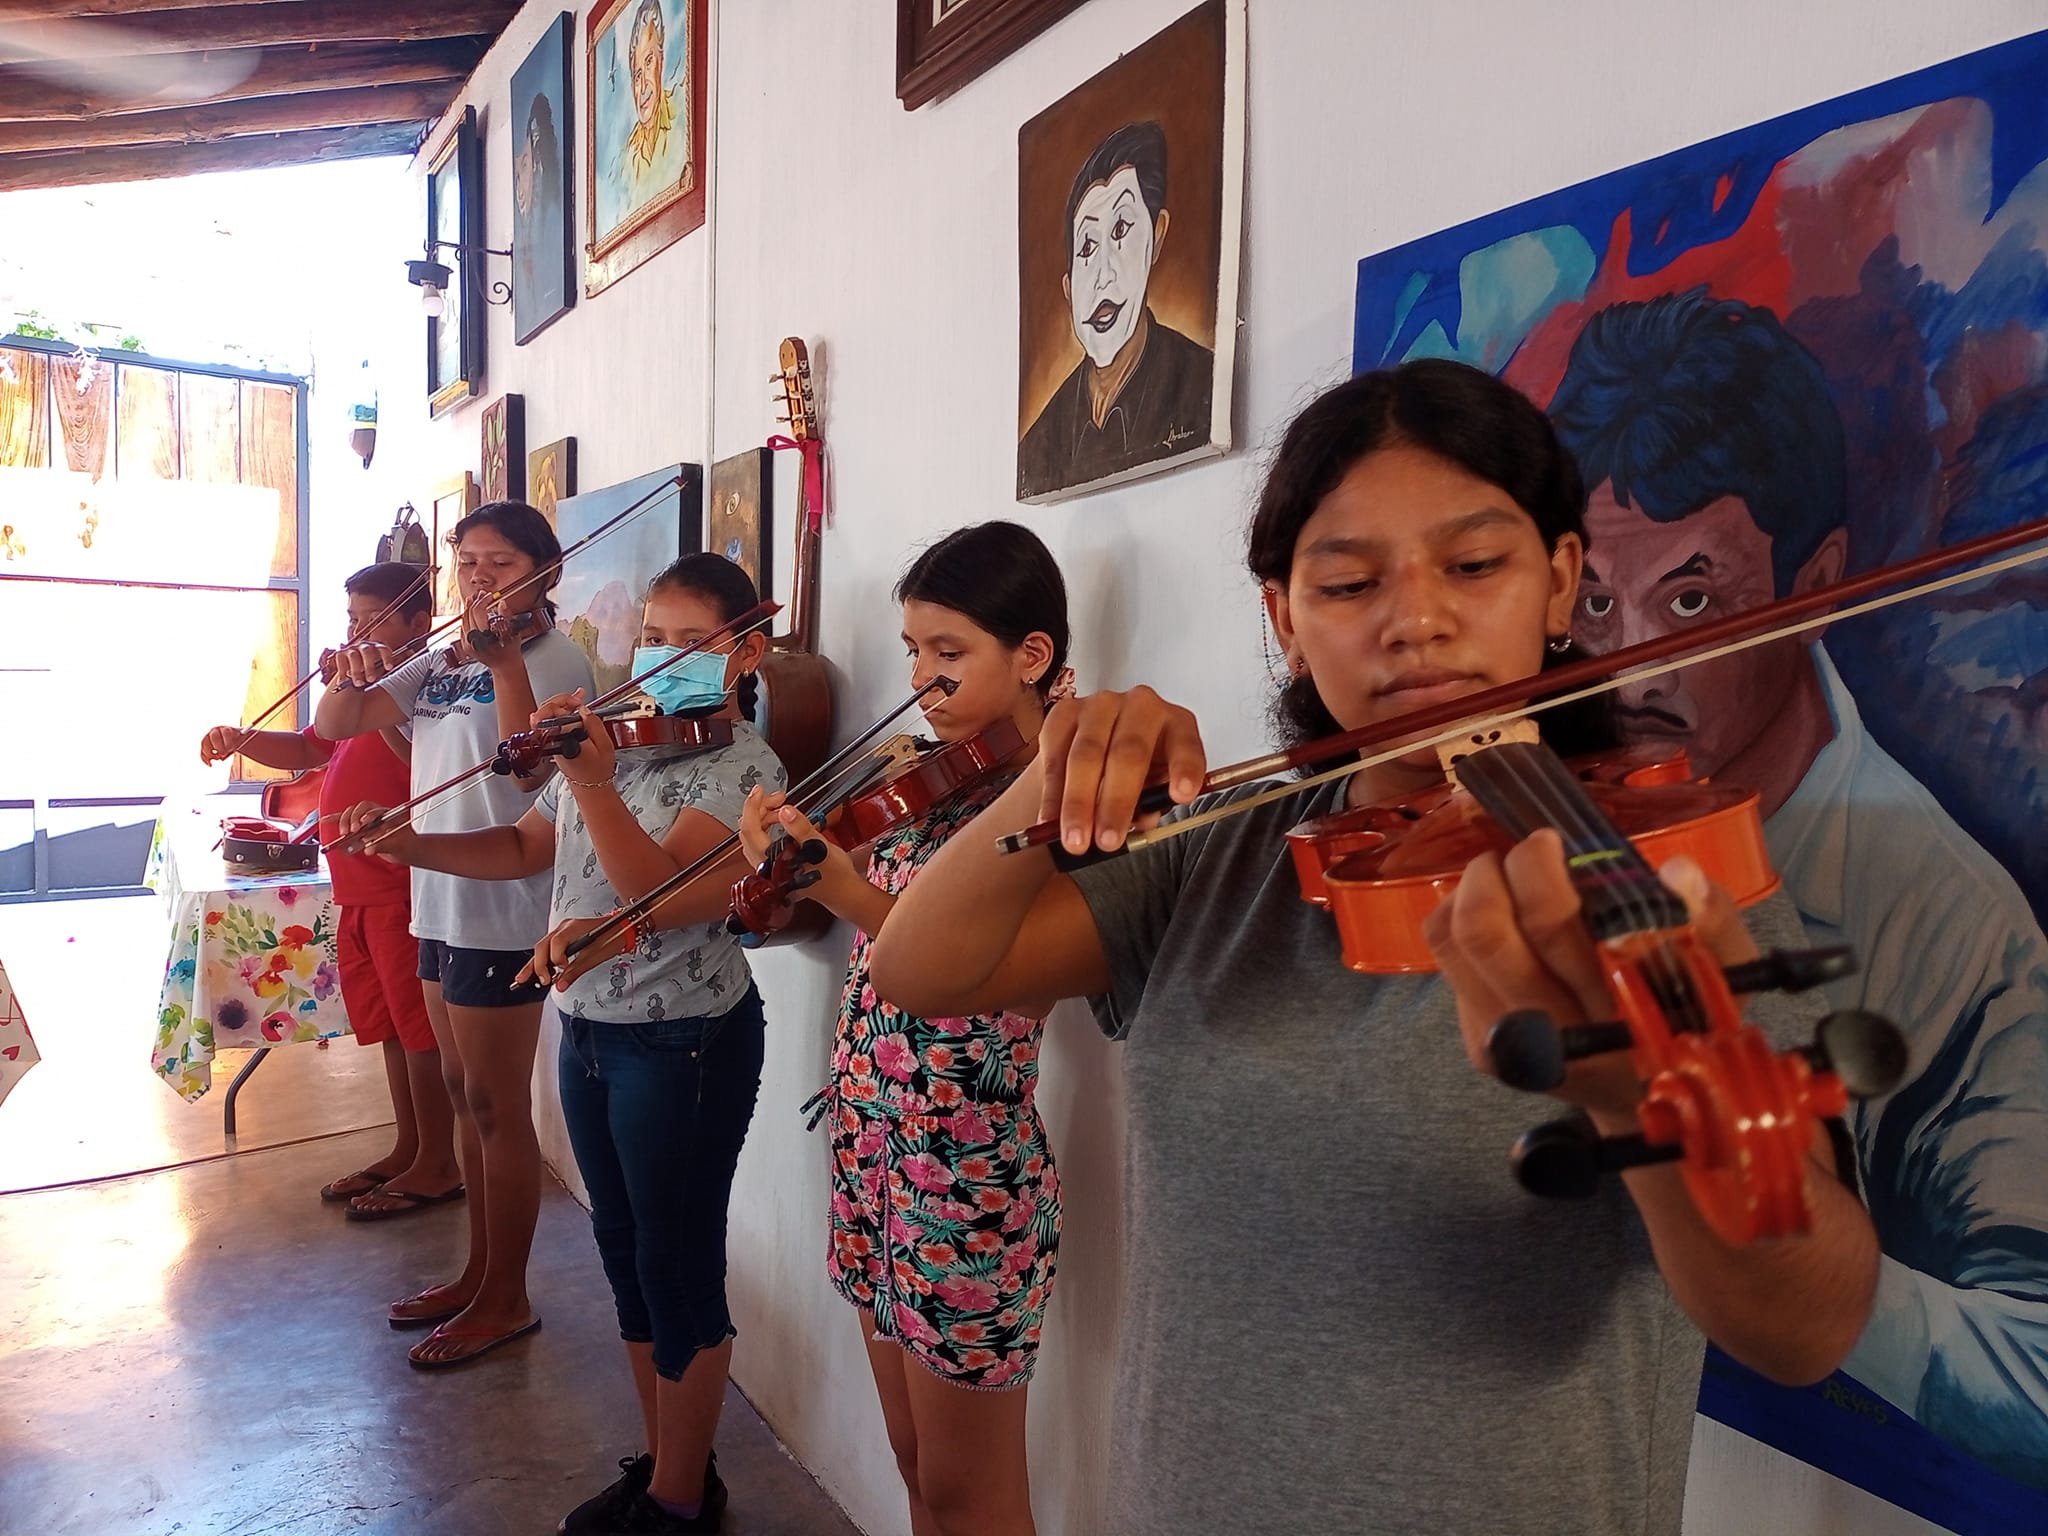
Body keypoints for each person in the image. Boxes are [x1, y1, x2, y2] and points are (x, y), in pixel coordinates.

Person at [869, 359, 1880, 1535]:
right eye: (1348, 584)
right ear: (1283, 619)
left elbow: (1802, 1330)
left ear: (1559, 585)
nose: (1417, 621)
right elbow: (919, 969)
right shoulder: (1225, 851)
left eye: (1474, 565)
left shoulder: (1665, 885)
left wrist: (1644, 1099)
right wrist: (1041, 782)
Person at [1549, 288, 2048, 1482]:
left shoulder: (1954, 932)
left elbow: (2034, 1371)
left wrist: (1795, 1272)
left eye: (1687, 600)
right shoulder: (1560, 794)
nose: (1626, 674)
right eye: (1595, 607)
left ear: (1816, 582)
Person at [343, 553, 781, 1534]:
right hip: (589, 1030)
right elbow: (516, 850)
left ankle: (679, 1500)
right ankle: (670, 1464)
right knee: (623, 1256)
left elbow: (652, 895)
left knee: (677, 1266)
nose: (660, 657)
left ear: (746, 650)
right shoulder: (621, 746)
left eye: (689, 640)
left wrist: (590, 781)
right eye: (651, 636)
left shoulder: (744, 770)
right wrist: (402, 843)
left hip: (684, 1043)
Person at [734, 523, 1069, 1536]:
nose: (921, 677)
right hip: (874, 1148)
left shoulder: (1047, 796)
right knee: (915, 1462)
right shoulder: (925, 784)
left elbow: (992, 975)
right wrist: (789, 861)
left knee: (972, 1489)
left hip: (966, 1174)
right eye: (913, 651)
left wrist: (846, 891)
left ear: (1033, 656)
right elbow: (836, 903)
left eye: (948, 653)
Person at [315, 501, 594, 1368]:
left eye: (499, 563)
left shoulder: (560, 658)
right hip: (434, 895)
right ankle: (476, 1274)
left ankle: (507, 1296)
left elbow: (529, 770)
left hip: (505, 907)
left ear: (545, 573)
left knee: (494, 1106)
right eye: (467, 562)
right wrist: (355, 674)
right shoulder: (439, 656)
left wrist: (503, 660)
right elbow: (338, 727)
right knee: (464, 1093)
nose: (478, 577)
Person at [198, 562, 461, 1217]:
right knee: (392, 1031)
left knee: (421, 1032)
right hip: (357, 888)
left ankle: (438, 1161)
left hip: (400, 885)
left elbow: (422, 762)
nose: (356, 631)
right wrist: (245, 740)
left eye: (373, 618)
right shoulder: (356, 691)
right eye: (351, 618)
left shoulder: (421, 686)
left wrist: (370, 683)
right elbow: (314, 747)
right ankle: (410, 1147)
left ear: (417, 622)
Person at [1017, 120, 1214, 499]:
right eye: (1087, 248)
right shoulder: (1038, 446)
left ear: (1157, 236)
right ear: (1068, 289)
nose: (1103, 275)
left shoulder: (1199, 383)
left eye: (1122, 228)